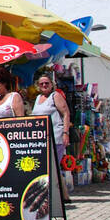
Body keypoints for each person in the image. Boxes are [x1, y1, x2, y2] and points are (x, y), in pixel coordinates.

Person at [32, 72, 72, 201]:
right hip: (42, 138)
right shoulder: (38, 99)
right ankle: (64, 196)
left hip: (56, 136)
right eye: (41, 83)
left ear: (52, 84)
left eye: (46, 83)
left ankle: (52, 196)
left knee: (52, 165)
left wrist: (66, 133)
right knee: (51, 166)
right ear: (38, 86)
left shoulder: (56, 96)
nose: (44, 85)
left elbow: (66, 113)